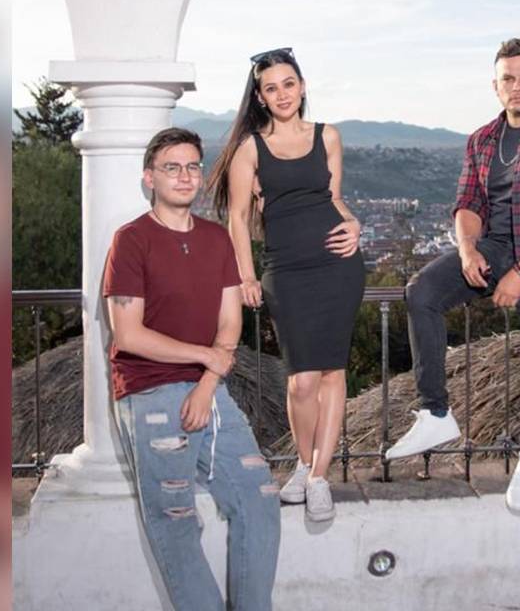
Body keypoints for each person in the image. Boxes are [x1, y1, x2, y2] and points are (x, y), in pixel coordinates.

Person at [384, 38, 520, 513]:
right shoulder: (482, 139)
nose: (517, 87)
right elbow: (468, 205)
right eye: (508, 79)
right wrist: (466, 251)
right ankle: (435, 410)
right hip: (496, 247)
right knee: (422, 292)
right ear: (495, 86)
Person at [105, 127, 280, 611]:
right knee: (177, 518)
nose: (185, 176)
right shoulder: (131, 241)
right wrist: (203, 357)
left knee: (259, 500)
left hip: (207, 388)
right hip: (148, 391)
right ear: (149, 178)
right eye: (171, 167)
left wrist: (207, 383)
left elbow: (229, 322)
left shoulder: (216, 239)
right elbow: (128, 335)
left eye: (192, 166)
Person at [207, 47, 365, 522]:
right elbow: (237, 217)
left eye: (289, 84)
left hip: (339, 266)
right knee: (301, 381)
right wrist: (246, 274)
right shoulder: (250, 149)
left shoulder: (328, 136)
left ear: (302, 86)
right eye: (271, 87)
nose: (282, 94)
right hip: (286, 270)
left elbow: (335, 198)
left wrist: (354, 224)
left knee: (333, 374)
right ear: (259, 95)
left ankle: (318, 477)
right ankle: (303, 461)